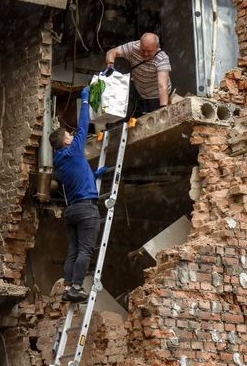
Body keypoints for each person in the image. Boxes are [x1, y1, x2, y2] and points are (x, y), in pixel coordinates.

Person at [49, 87, 100, 303]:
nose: (72, 136)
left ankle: (68, 285)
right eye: (69, 135)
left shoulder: (59, 161)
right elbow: (83, 124)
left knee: (74, 250)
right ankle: (76, 288)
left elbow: (76, 175)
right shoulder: (74, 150)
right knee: (85, 250)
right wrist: (85, 100)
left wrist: (93, 174)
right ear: (67, 141)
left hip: (72, 211)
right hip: (86, 209)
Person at [104, 32, 171, 116]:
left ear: (157, 47)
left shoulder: (162, 59)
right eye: (143, 50)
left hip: (156, 96)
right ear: (140, 44)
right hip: (138, 89)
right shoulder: (133, 47)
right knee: (129, 114)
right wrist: (110, 65)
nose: (145, 54)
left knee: (155, 119)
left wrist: (163, 108)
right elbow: (111, 52)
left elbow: (162, 85)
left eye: (149, 51)